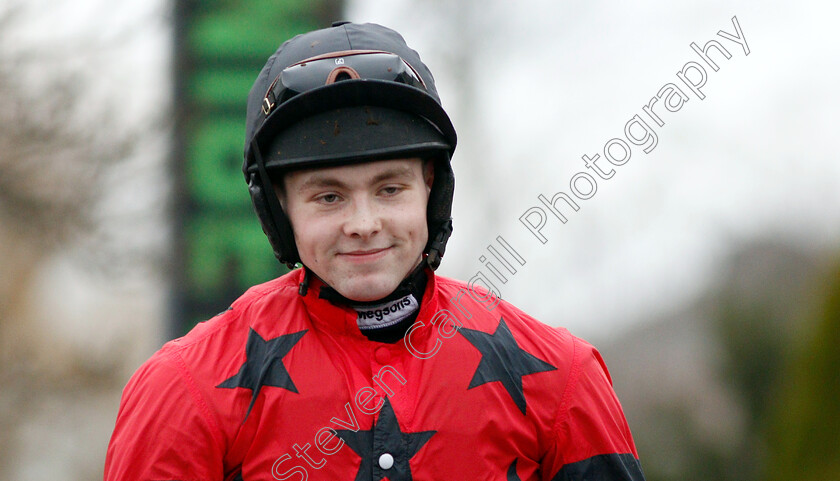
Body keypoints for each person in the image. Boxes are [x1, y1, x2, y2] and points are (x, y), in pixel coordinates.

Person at [104, 21, 645, 481]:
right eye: (329, 196)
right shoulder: (182, 388)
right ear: (278, 208)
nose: (364, 224)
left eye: (390, 188)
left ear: (431, 188)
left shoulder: (561, 376)